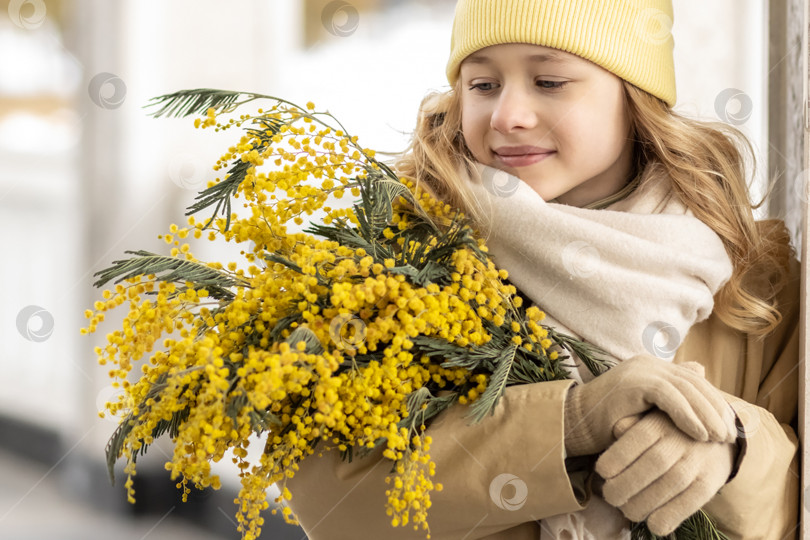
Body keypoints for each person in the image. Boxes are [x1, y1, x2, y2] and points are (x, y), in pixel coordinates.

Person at [284, 0, 800, 538]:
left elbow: (795, 496)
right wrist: (568, 422)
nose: (508, 116)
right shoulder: (394, 254)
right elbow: (330, 497)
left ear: (634, 94)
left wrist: (730, 450)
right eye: (483, 85)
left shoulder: (753, 278)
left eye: (549, 81)